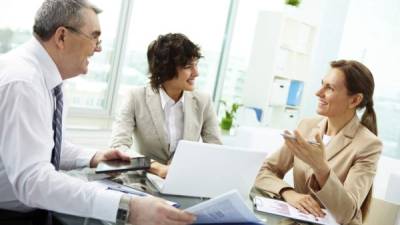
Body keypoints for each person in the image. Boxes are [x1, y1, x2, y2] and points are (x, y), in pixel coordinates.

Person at [0, 1, 195, 225]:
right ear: (62, 37)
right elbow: (32, 181)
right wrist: (126, 208)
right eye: (94, 37)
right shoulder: (23, 83)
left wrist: (93, 157)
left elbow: (41, 145)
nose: (98, 48)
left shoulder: (49, 80)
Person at [255, 60, 382, 225]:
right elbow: (265, 171)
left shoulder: (369, 145)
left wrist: (321, 168)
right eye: (322, 84)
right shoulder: (307, 126)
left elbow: (346, 213)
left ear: (354, 100)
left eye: (330, 88)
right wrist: (289, 193)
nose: (318, 92)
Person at [110, 33, 222, 178]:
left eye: (196, 65)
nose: (196, 73)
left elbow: (215, 150)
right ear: (166, 69)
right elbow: (118, 147)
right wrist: (156, 167)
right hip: (144, 181)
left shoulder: (203, 101)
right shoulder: (135, 97)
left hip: (184, 181)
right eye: (188, 66)